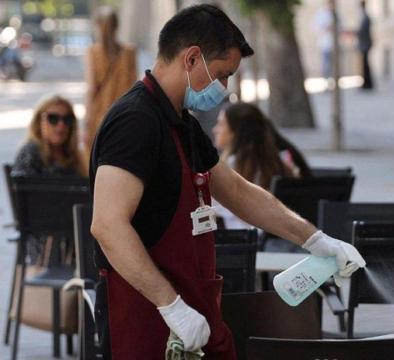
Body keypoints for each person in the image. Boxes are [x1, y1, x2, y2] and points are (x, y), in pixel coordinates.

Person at [89, 5, 365, 359]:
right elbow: (108, 225)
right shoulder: (134, 121)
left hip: (193, 304)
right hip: (144, 314)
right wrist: (170, 305)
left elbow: (236, 191)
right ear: (191, 59)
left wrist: (314, 239)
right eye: (222, 74)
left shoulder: (183, 122)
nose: (224, 88)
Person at [212, 102, 305, 229]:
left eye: (221, 124)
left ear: (236, 131)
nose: (215, 129)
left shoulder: (229, 168)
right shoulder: (279, 163)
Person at [83, 6, 137, 161]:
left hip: (99, 116)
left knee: (97, 160)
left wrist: (86, 123)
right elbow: (134, 86)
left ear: (98, 26)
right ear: (117, 26)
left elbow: (92, 89)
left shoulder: (93, 52)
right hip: (124, 116)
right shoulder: (130, 52)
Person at [12, 94, 84, 177]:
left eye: (67, 119)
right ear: (39, 122)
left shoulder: (74, 157)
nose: (61, 125)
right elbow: (22, 188)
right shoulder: (30, 153)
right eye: (53, 118)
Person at [357, 0, 374, 90]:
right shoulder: (364, 16)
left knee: (365, 65)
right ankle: (366, 83)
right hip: (364, 43)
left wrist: (356, 33)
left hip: (365, 44)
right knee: (364, 64)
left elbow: (363, 32)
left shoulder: (366, 17)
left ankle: (368, 84)